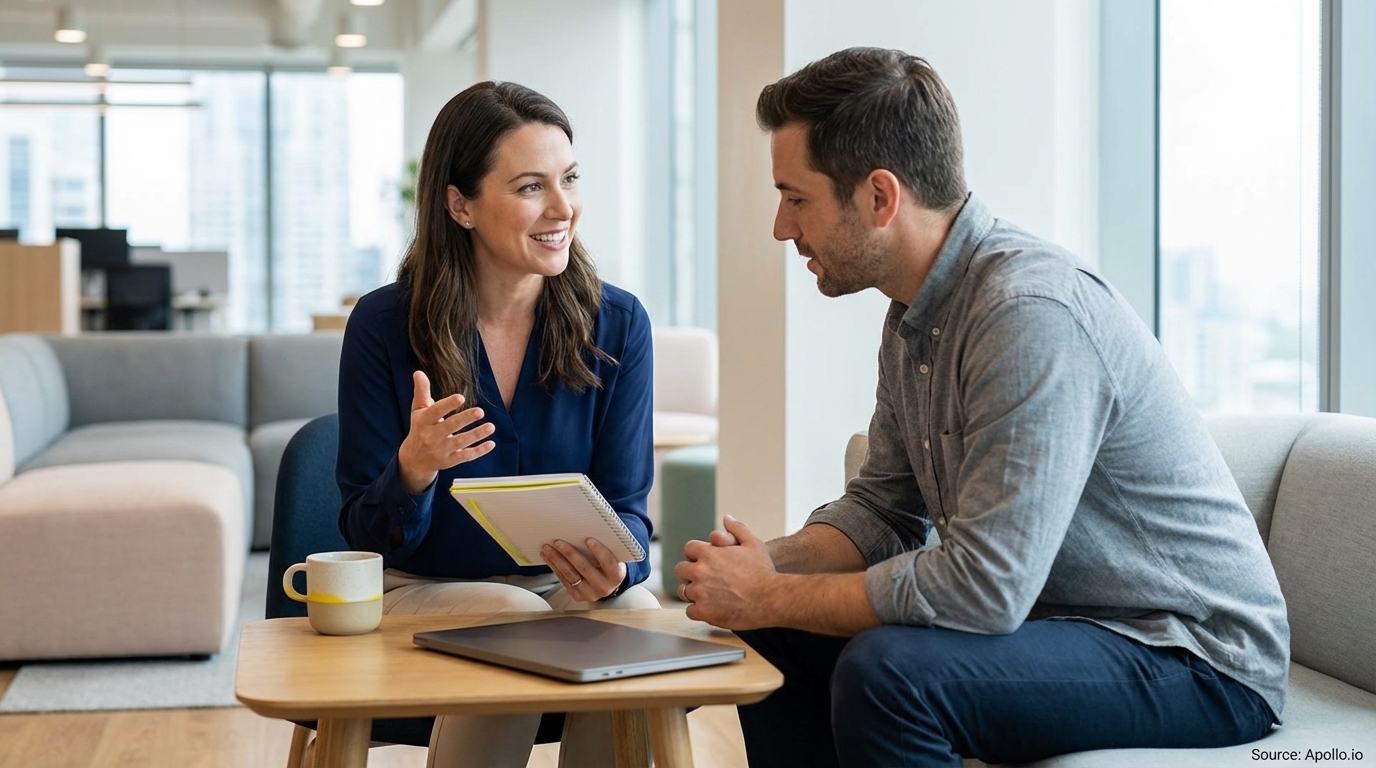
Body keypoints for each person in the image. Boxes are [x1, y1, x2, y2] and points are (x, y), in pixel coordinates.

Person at [675, 47, 1288, 767]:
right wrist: (759, 570)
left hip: (1193, 654)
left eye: (796, 197)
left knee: (888, 675)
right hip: (1067, 627)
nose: (782, 228)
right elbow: (882, 510)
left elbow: (983, 587)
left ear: (880, 197)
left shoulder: (1029, 314)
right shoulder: (914, 312)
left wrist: (772, 595)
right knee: (779, 637)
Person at [336, 80, 660, 768]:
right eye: (530, 187)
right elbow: (366, 536)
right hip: (421, 592)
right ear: (460, 205)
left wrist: (616, 570)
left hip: (558, 592)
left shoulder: (619, 324)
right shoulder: (383, 325)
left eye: (569, 179)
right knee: (513, 620)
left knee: (635, 617)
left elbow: (630, 516)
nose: (563, 207)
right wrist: (414, 469)